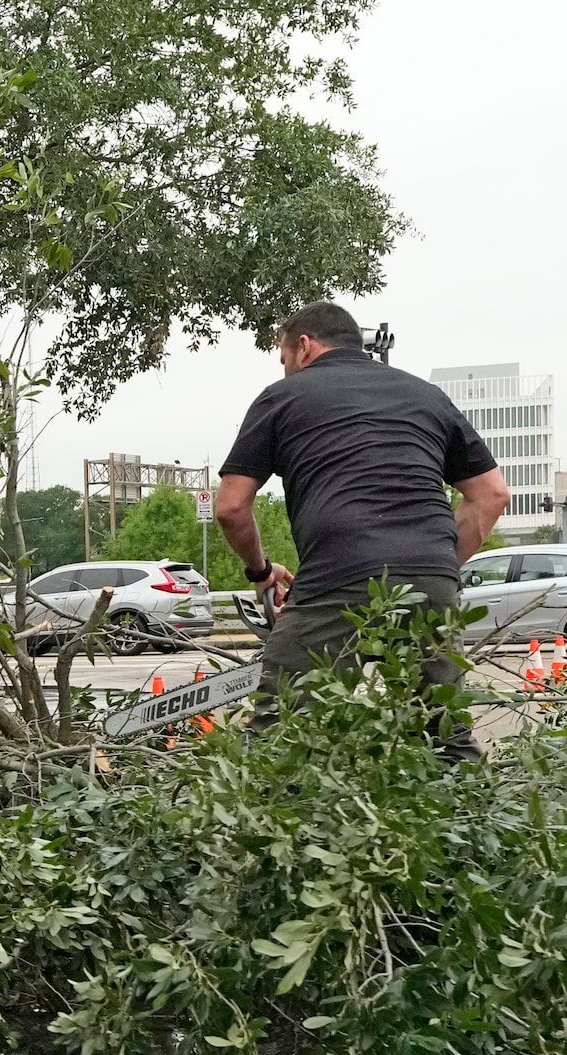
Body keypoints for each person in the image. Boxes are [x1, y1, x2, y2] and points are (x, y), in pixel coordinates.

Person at [214, 301, 511, 756]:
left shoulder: (282, 397)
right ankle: (470, 817)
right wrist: (434, 569)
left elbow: (232, 507)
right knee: (444, 736)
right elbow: (491, 494)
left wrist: (260, 572)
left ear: (305, 346)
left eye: (285, 360)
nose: (287, 371)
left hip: (337, 574)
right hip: (430, 579)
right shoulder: (425, 395)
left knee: (280, 734)